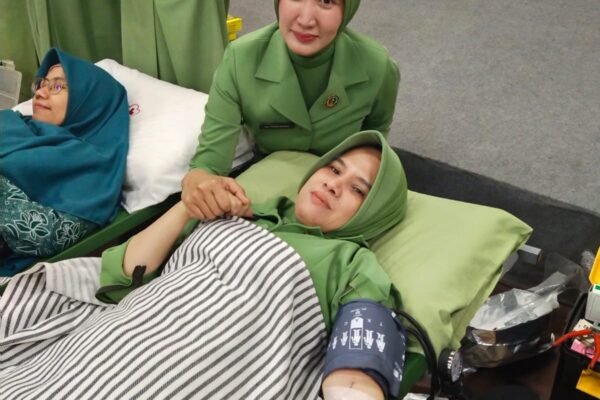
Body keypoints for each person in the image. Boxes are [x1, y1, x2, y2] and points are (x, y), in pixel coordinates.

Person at [96, 130, 408, 399]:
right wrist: (188, 207)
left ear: (375, 212)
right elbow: (122, 277)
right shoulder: (240, 209)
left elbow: (357, 373)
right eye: (334, 169)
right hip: (115, 342)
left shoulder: (352, 264)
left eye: (358, 189)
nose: (333, 185)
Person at [182, 0, 400, 222]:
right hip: (269, 178)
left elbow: (377, 131)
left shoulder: (378, 66)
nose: (305, 20)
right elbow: (209, 162)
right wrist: (199, 180)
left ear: (348, 9)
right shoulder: (241, 59)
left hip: (336, 191)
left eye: (326, 1)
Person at [0, 48, 129, 274]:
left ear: (89, 101)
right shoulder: (11, 122)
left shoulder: (92, 167)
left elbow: (48, 235)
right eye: (42, 84)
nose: (40, 93)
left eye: (58, 86)